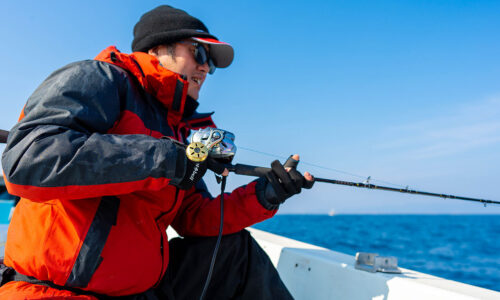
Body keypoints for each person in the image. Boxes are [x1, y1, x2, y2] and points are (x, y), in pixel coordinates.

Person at [0, 5, 313, 299]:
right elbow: (27, 159)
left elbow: (194, 216)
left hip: (143, 291)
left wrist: (266, 194)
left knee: (236, 253)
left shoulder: (177, 132)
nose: (205, 67)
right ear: (156, 50)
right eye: (199, 52)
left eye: (211, 64)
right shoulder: (101, 79)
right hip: (57, 290)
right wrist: (167, 158)